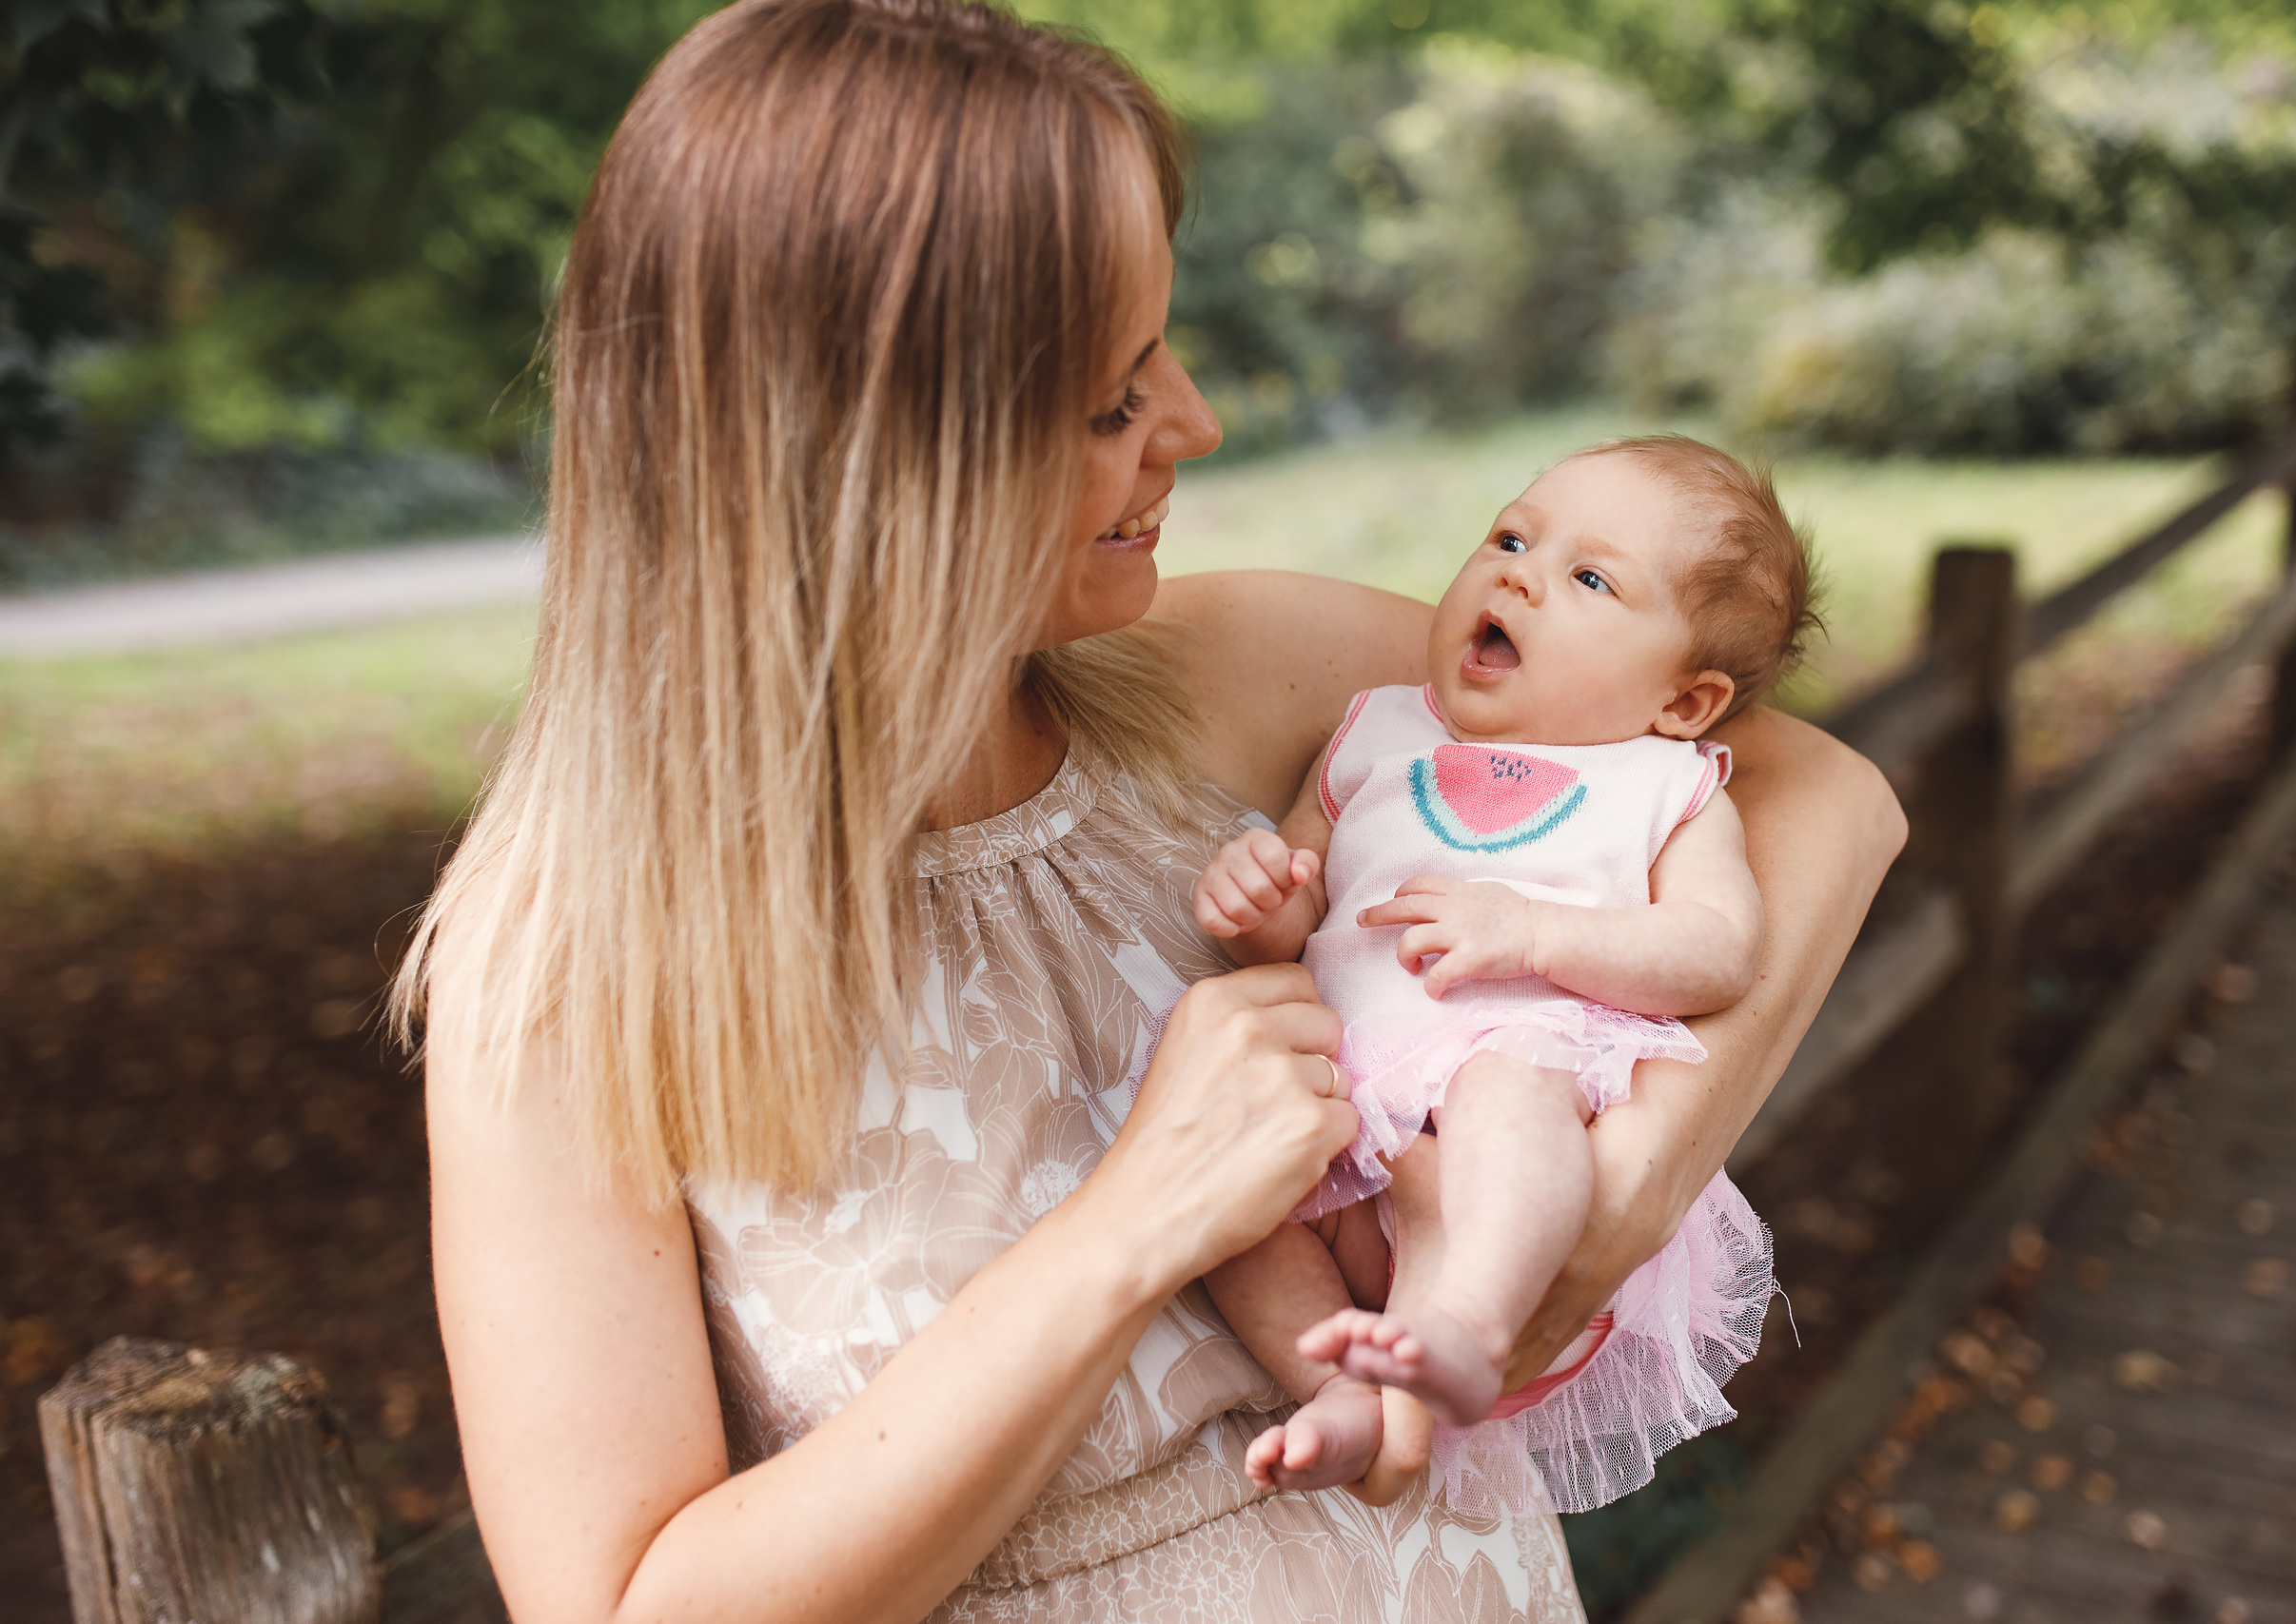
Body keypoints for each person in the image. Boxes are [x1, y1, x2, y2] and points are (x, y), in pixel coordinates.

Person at [394, 3, 1906, 1620]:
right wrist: (1133, 1220)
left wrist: (1623, 1192)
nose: (1194, 423)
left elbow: (1827, 792)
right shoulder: (566, 967)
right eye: (1118, 399)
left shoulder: (1213, 676)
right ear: (885, 458)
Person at [1194, 436, 1810, 1518]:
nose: (1517, 572)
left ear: (1684, 702)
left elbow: (1719, 950)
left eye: (1588, 577)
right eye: (1511, 537)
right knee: (1232, 1193)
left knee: (1507, 1094)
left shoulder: (1661, 783)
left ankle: (1469, 1322)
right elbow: (1306, 909)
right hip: (1351, 1110)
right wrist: (1262, 905)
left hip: (1508, 1119)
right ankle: (1340, 1393)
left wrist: (1530, 934)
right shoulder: (1374, 736)